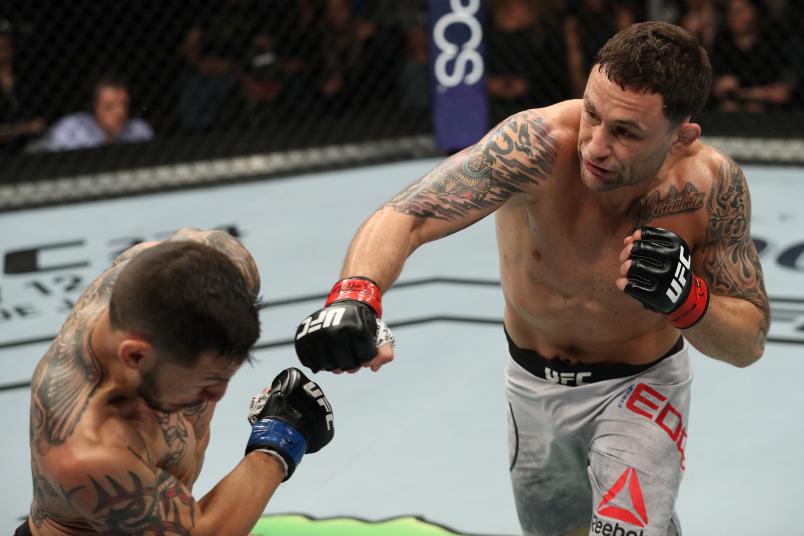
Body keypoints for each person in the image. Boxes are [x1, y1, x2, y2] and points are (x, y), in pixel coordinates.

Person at [294, 22, 769, 536]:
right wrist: (356, 292)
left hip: (640, 385)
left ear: (682, 138)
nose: (596, 145)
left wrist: (689, 303)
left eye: (625, 132)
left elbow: (748, 343)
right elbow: (409, 213)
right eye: (592, 113)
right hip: (532, 386)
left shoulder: (710, 188)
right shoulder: (537, 146)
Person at [18, 228, 334, 536]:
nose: (218, 394)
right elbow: (203, 532)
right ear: (137, 357)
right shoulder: (89, 445)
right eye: (205, 383)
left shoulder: (222, 262)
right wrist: (280, 439)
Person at [44, 73, 153, 152]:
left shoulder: (139, 130)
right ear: (94, 108)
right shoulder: (70, 130)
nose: (120, 112)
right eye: (109, 107)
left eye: (124, 105)